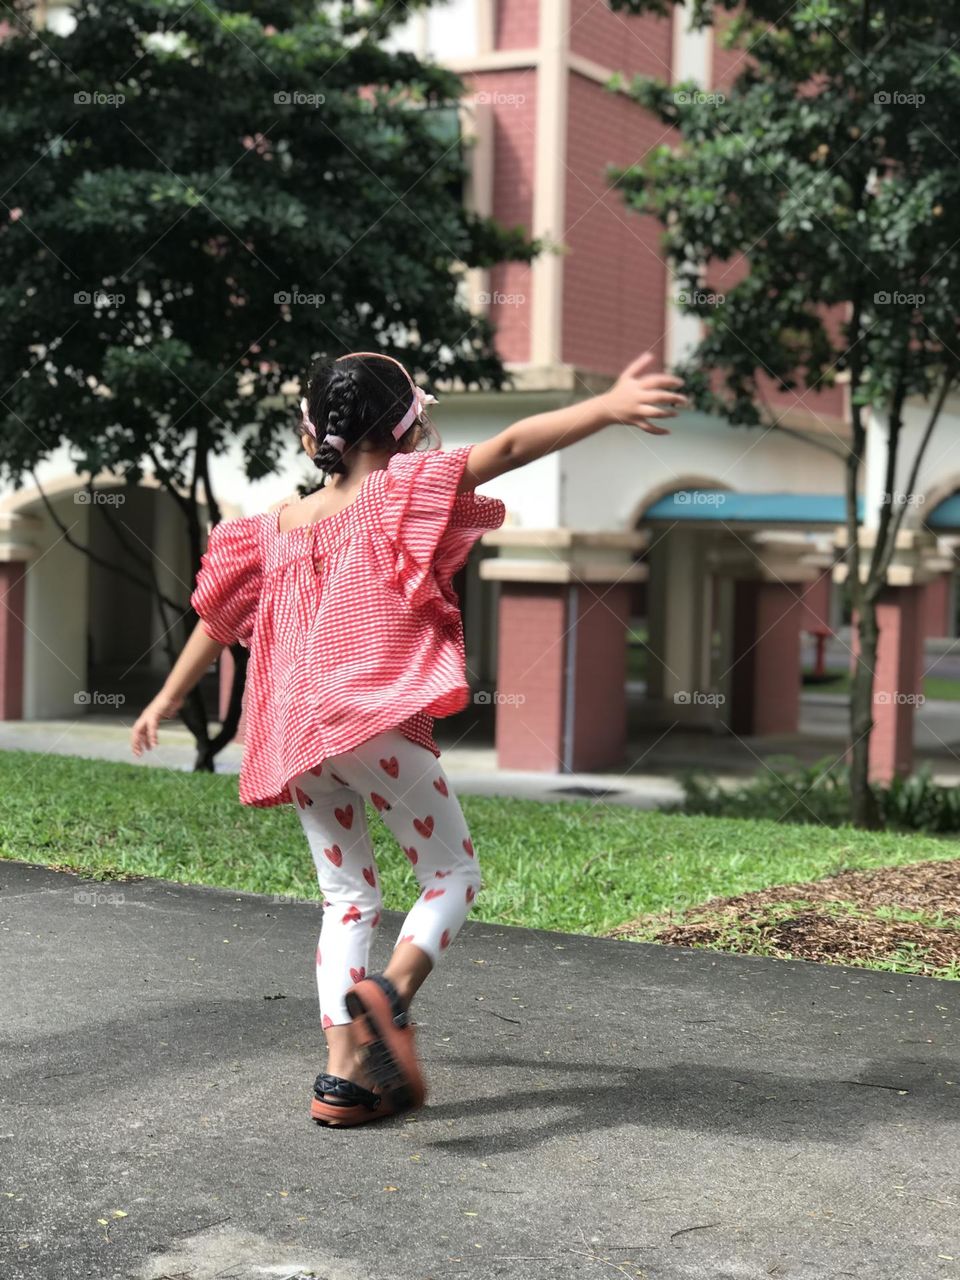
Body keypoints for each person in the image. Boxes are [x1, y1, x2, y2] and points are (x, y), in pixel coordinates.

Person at [130, 349, 685, 1127]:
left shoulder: (272, 530)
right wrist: (607, 405)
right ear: (408, 429)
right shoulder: (402, 491)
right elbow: (515, 446)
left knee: (346, 897)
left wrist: (162, 698)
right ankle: (391, 992)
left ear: (308, 436)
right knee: (452, 872)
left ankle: (343, 1080)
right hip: (373, 722)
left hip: (298, 740)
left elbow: (217, 623)